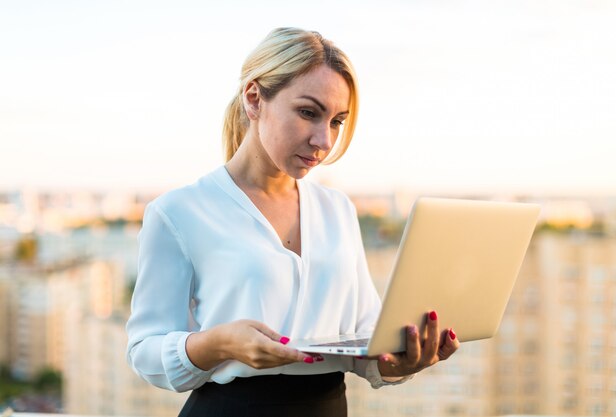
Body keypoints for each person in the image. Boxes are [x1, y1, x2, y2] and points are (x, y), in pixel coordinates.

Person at [126, 27, 460, 417]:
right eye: (308, 113)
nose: (324, 140)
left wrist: (395, 362)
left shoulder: (338, 210)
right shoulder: (179, 211)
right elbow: (144, 352)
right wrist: (219, 343)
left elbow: (362, 340)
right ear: (254, 99)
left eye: (337, 121)